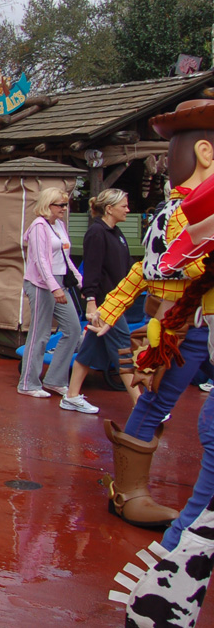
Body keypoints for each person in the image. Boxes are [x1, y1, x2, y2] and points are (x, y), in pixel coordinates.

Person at [91, 99, 214, 529]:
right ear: (205, 153)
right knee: (157, 400)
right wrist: (108, 308)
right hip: (182, 329)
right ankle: (128, 492)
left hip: (198, 326)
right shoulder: (179, 213)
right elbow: (153, 269)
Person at [63, 189, 137, 414]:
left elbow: (127, 266)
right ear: (109, 208)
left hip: (117, 301)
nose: (128, 209)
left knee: (89, 348)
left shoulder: (116, 232)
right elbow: (92, 270)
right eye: (124, 206)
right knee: (123, 350)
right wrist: (92, 301)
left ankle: (72, 396)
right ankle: (142, 405)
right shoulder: (96, 233)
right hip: (107, 304)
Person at [16, 187, 82, 400]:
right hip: (40, 283)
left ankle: (55, 379)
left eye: (65, 204)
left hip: (59, 281)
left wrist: (80, 281)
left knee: (72, 328)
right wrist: (53, 287)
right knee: (40, 332)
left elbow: (65, 256)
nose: (64, 208)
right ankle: (28, 382)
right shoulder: (38, 227)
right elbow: (40, 261)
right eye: (60, 205)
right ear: (48, 205)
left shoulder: (59, 225)